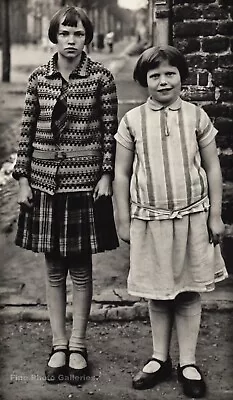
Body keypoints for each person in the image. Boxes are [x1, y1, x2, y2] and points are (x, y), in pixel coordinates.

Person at [12, 6, 119, 386]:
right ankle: (58, 344)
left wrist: (105, 175)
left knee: (81, 268)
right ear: (54, 37)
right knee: (54, 269)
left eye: (78, 34)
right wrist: (22, 179)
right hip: (43, 183)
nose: (71, 41)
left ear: (87, 37)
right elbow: (25, 133)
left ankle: (78, 344)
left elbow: (109, 133)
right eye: (64, 34)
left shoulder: (101, 79)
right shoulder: (38, 78)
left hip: (84, 184)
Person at [114, 45, 228, 398]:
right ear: (143, 81)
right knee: (158, 293)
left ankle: (188, 361)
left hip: (192, 216)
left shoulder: (196, 116)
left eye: (170, 73)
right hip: (150, 219)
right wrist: (122, 218)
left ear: (181, 76)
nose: (163, 81)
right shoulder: (132, 120)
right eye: (154, 75)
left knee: (189, 290)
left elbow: (212, 167)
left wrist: (216, 214)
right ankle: (159, 358)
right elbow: (120, 172)